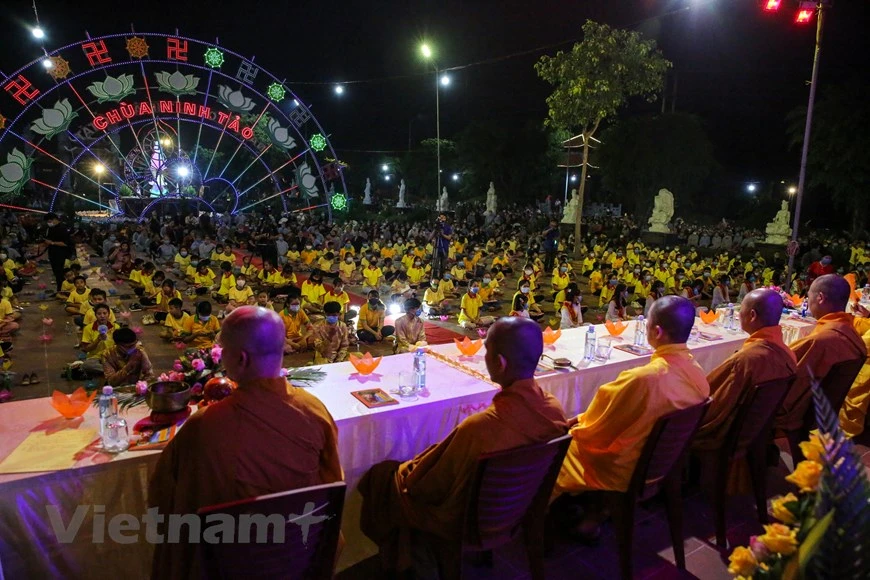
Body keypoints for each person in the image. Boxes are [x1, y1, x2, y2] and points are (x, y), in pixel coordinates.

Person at [359, 317, 567, 574]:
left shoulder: (481, 428)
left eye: (487, 350)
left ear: (499, 363)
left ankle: (402, 561)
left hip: (465, 521)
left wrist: (406, 469)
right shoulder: (555, 411)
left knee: (381, 477)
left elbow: (422, 486)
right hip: (515, 508)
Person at [149, 306, 343, 579]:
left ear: (240, 359)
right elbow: (331, 487)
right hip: (299, 558)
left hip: (228, 565)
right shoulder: (314, 412)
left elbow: (164, 502)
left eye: (223, 351)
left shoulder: (205, 425)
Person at [552, 297, 710, 532]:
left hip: (624, 468)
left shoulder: (643, 379)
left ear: (656, 331)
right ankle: (597, 509)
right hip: (661, 462)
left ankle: (546, 518)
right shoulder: (698, 373)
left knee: (558, 448)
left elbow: (595, 429)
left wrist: (572, 424)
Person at [693, 289, 797, 450]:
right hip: (757, 430)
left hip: (726, 435)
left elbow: (709, 401)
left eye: (740, 310)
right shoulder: (788, 353)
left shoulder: (745, 361)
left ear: (752, 315)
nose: (738, 314)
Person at [776, 274, 865, 432]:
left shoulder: (819, 342)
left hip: (795, 415)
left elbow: (782, 377)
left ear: (820, 298)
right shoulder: (852, 334)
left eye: (809, 295)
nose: (808, 302)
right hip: (822, 414)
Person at [43, 212, 72, 292]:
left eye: (49, 221)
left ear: (55, 219)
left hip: (61, 255)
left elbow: (65, 243)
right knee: (57, 274)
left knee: (61, 274)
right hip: (53, 254)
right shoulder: (51, 228)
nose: (48, 223)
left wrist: (52, 243)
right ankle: (59, 290)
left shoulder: (62, 228)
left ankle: (63, 291)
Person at [431, 213, 452, 280]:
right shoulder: (437, 226)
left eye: (443, 217)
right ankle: (434, 279)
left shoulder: (448, 226)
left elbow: (449, 237)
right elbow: (431, 237)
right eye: (440, 217)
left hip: (444, 248)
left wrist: (442, 234)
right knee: (435, 264)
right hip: (437, 248)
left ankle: (441, 278)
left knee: (443, 265)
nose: (442, 219)